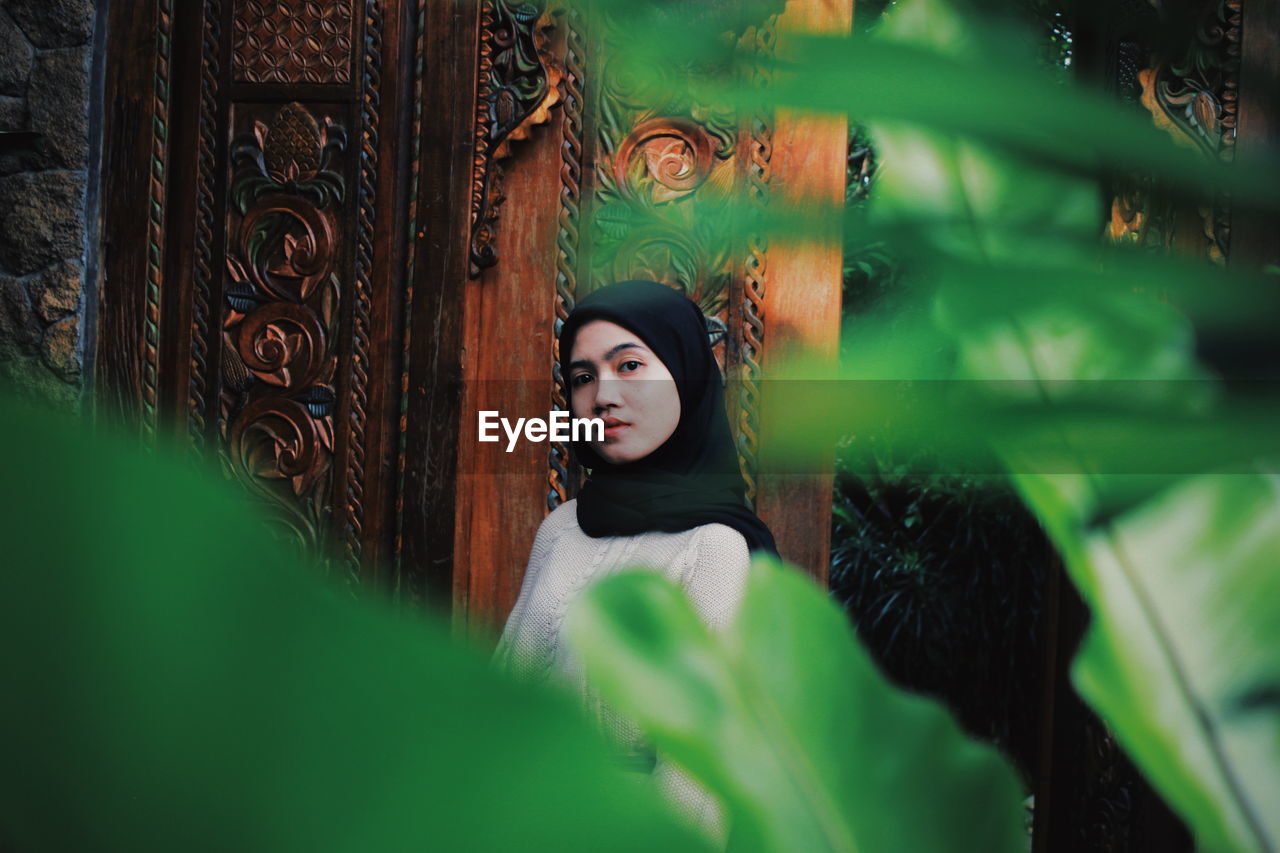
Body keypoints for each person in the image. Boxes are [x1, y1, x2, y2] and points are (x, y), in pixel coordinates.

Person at [492, 280, 778, 848]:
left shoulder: (716, 547)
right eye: (582, 377)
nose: (601, 395)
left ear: (686, 374)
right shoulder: (563, 528)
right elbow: (504, 699)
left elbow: (701, 773)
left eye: (629, 366)